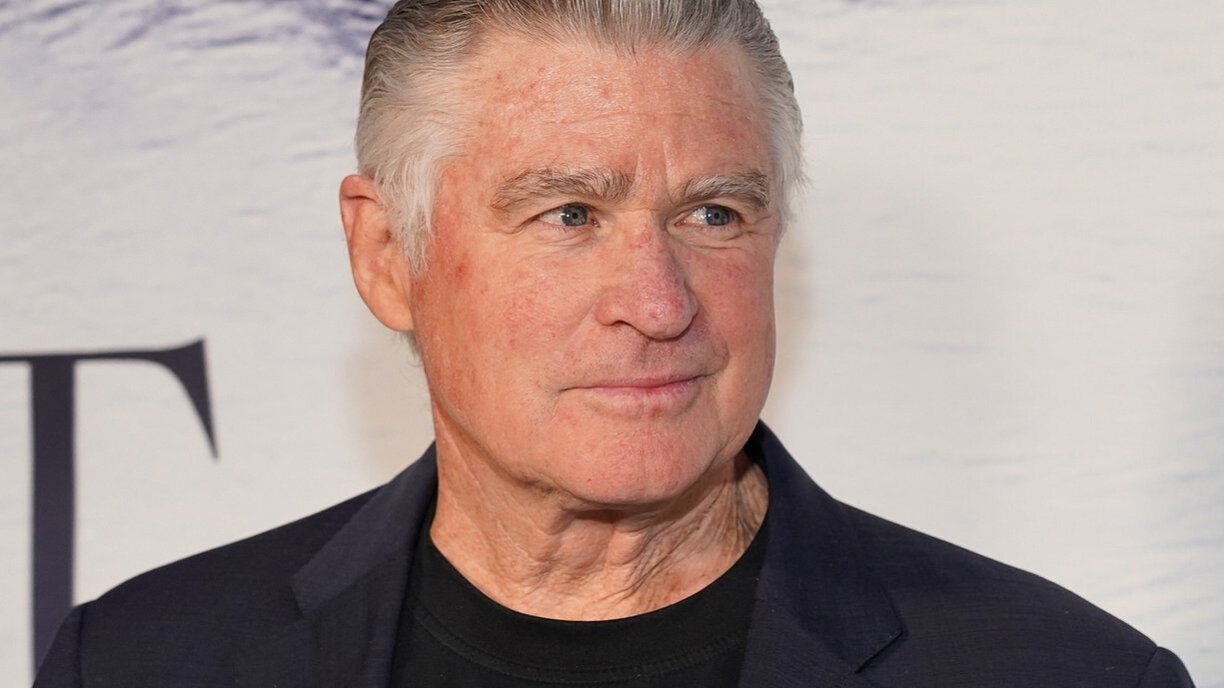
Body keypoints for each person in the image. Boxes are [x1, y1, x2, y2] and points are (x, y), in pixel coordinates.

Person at [34, 1, 1195, 686]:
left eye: (713, 214)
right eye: (569, 214)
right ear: (388, 255)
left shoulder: (1069, 674)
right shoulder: (142, 661)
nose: (657, 299)